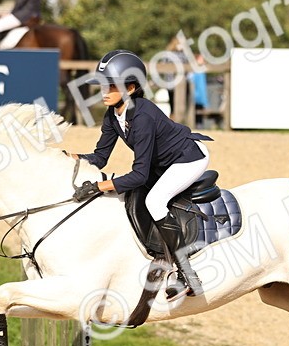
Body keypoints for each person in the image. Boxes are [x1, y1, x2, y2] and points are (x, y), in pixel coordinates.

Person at [70, 50, 214, 298]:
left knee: (154, 201)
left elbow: (139, 175)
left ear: (132, 87)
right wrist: (72, 158)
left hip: (188, 159)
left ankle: (187, 275)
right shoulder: (113, 115)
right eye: (103, 85)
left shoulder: (143, 115)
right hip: (164, 162)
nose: (104, 91)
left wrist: (100, 186)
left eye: (111, 86)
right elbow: (100, 157)